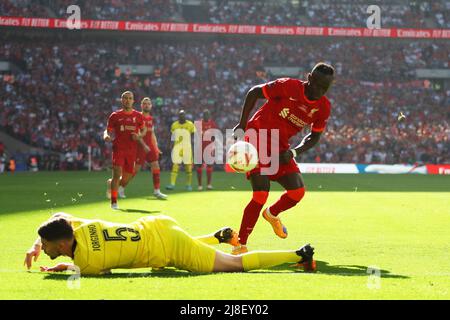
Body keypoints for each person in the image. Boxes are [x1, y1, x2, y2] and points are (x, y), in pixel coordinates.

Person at [231, 62, 335, 254]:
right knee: (261, 194)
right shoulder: (288, 86)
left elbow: (314, 136)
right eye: (317, 84)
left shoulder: (323, 107)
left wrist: (294, 152)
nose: (319, 91)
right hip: (257, 137)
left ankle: (271, 214)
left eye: (325, 88)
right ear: (309, 78)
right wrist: (242, 124)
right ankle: (241, 245)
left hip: (281, 147)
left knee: (297, 192)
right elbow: (254, 92)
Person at [24, 212, 316, 275]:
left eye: (45, 246)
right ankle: (218, 237)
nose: (44, 250)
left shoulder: (86, 264)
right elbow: (59, 217)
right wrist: (38, 244)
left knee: (233, 265)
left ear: (62, 245)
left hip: (167, 247)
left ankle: (298, 255)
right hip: (157, 223)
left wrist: (67, 266)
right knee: (161, 264)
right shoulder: (79, 225)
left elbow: (98, 268)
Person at [116, 97, 167, 200]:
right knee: (134, 171)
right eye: (144, 104)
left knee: (156, 165)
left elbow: (152, 133)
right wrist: (144, 145)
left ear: (151, 106)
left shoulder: (151, 119)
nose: (146, 105)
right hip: (140, 147)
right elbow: (137, 134)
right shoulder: (138, 117)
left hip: (150, 147)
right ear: (141, 105)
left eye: (148, 104)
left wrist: (155, 147)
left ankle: (157, 191)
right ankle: (120, 187)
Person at [104, 91, 145, 209]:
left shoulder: (138, 116)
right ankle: (114, 202)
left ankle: (111, 184)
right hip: (119, 149)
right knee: (117, 174)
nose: (127, 100)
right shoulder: (115, 115)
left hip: (132, 151)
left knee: (127, 178)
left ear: (133, 101)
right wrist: (106, 136)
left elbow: (143, 130)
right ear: (121, 100)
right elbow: (107, 130)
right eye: (125, 98)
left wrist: (139, 136)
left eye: (130, 98)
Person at [166, 109, 196, 191]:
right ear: (178, 116)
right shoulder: (174, 125)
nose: (182, 116)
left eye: (183, 114)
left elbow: (194, 135)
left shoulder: (190, 124)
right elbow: (171, 136)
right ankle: (172, 184)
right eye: (180, 115)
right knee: (175, 166)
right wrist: (170, 145)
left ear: (185, 116)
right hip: (177, 148)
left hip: (187, 149)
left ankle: (188, 185)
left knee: (188, 168)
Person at [195, 109, 218, 191]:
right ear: (203, 116)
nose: (206, 116)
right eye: (205, 114)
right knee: (199, 166)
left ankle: (208, 185)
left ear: (209, 116)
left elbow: (214, 136)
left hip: (209, 148)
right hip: (200, 148)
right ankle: (200, 185)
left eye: (207, 115)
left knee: (210, 166)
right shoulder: (198, 124)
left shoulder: (212, 124)